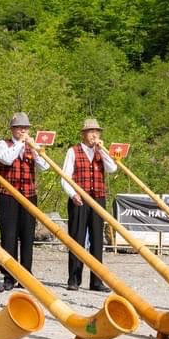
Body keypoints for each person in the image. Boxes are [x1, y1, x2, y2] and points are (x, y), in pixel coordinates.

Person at [61, 117, 116, 292]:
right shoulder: (73, 151)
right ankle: (74, 279)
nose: (94, 135)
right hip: (79, 198)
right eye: (91, 132)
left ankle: (97, 281)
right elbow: (65, 177)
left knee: (97, 240)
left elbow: (112, 168)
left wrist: (103, 150)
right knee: (76, 238)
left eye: (96, 132)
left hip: (98, 198)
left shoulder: (102, 152)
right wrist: (73, 194)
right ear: (84, 134)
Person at [0, 112, 48, 289]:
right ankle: (9, 276)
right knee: (9, 236)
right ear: (13, 129)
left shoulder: (32, 146)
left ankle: (26, 274)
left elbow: (45, 166)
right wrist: (20, 144)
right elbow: (7, 159)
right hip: (8, 196)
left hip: (29, 195)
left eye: (25, 128)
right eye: (19, 128)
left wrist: (35, 149)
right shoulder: (4, 144)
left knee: (27, 236)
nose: (23, 131)